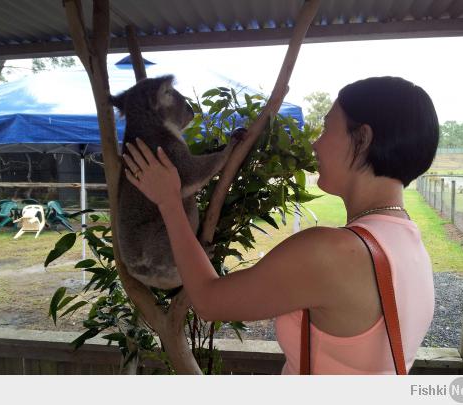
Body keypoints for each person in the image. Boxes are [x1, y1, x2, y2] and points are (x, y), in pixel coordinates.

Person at [122, 76, 439, 374]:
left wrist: (168, 201)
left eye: (327, 130)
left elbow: (208, 300)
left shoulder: (331, 252)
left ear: (363, 138)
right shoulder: (408, 242)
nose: (315, 145)